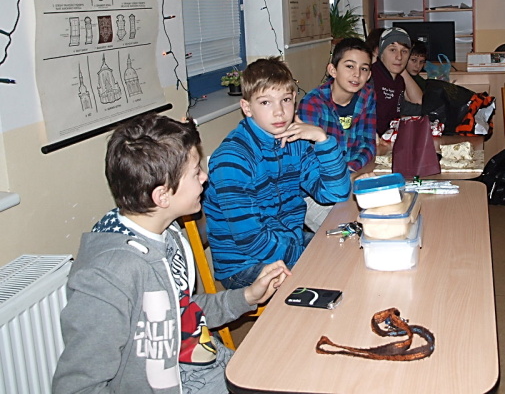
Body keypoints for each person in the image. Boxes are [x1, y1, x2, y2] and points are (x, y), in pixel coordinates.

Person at [52, 114, 291, 394]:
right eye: (195, 172)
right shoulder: (107, 276)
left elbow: (180, 312)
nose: (205, 177)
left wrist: (247, 296)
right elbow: (77, 387)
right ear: (162, 196)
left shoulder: (167, 233)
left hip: (212, 367)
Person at [204, 57, 350, 288]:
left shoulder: (295, 141)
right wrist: (307, 254)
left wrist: (322, 139)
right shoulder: (232, 159)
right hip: (245, 264)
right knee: (333, 274)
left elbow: (336, 193)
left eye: (286, 100)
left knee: (351, 251)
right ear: (247, 108)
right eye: (266, 102)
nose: (279, 112)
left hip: (287, 242)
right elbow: (252, 240)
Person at [297, 37, 377, 231]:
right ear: (333, 70)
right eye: (349, 66)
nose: (357, 74)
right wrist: (346, 177)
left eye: (364, 68)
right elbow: (310, 163)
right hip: (315, 191)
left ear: (369, 75)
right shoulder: (312, 104)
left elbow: (368, 143)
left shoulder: (367, 95)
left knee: (382, 216)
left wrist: (349, 172)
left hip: (351, 175)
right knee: (351, 231)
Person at [371, 27, 424, 136]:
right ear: (380, 52)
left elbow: (416, 107)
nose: (399, 57)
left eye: (404, 51)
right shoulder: (370, 76)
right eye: (392, 50)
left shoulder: (399, 81)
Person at [399, 39, 428, 116]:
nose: (418, 66)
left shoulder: (421, 81)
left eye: (421, 62)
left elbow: (421, 101)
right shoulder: (397, 77)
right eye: (414, 60)